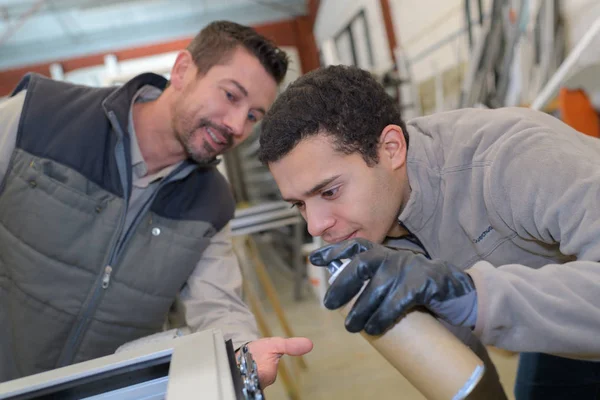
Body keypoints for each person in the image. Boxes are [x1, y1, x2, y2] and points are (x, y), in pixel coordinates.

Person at [258, 65, 600, 399]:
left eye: (329, 192)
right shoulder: (377, 224)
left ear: (390, 149)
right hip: (564, 318)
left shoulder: (515, 158)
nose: (316, 226)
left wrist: (470, 295)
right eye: (299, 205)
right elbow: (464, 370)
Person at [0, 20, 312, 386]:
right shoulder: (38, 114)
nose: (237, 126)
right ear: (182, 70)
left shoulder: (211, 203)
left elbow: (217, 305)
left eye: (253, 116)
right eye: (230, 95)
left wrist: (241, 353)